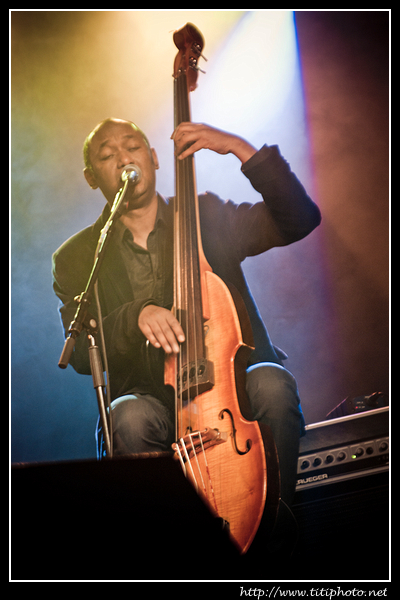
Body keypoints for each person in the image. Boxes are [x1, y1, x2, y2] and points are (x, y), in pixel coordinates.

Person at [52, 118, 321, 512]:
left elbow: (299, 219)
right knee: (127, 416)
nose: (124, 159)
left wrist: (240, 149)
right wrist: (134, 316)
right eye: (107, 156)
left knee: (272, 383)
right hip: (152, 399)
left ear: (154, 157)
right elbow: (79, 352)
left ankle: (275, 529)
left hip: (233, 383)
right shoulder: (75, 258)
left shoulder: (205, 215)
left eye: (133, 147)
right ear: (91, 177)